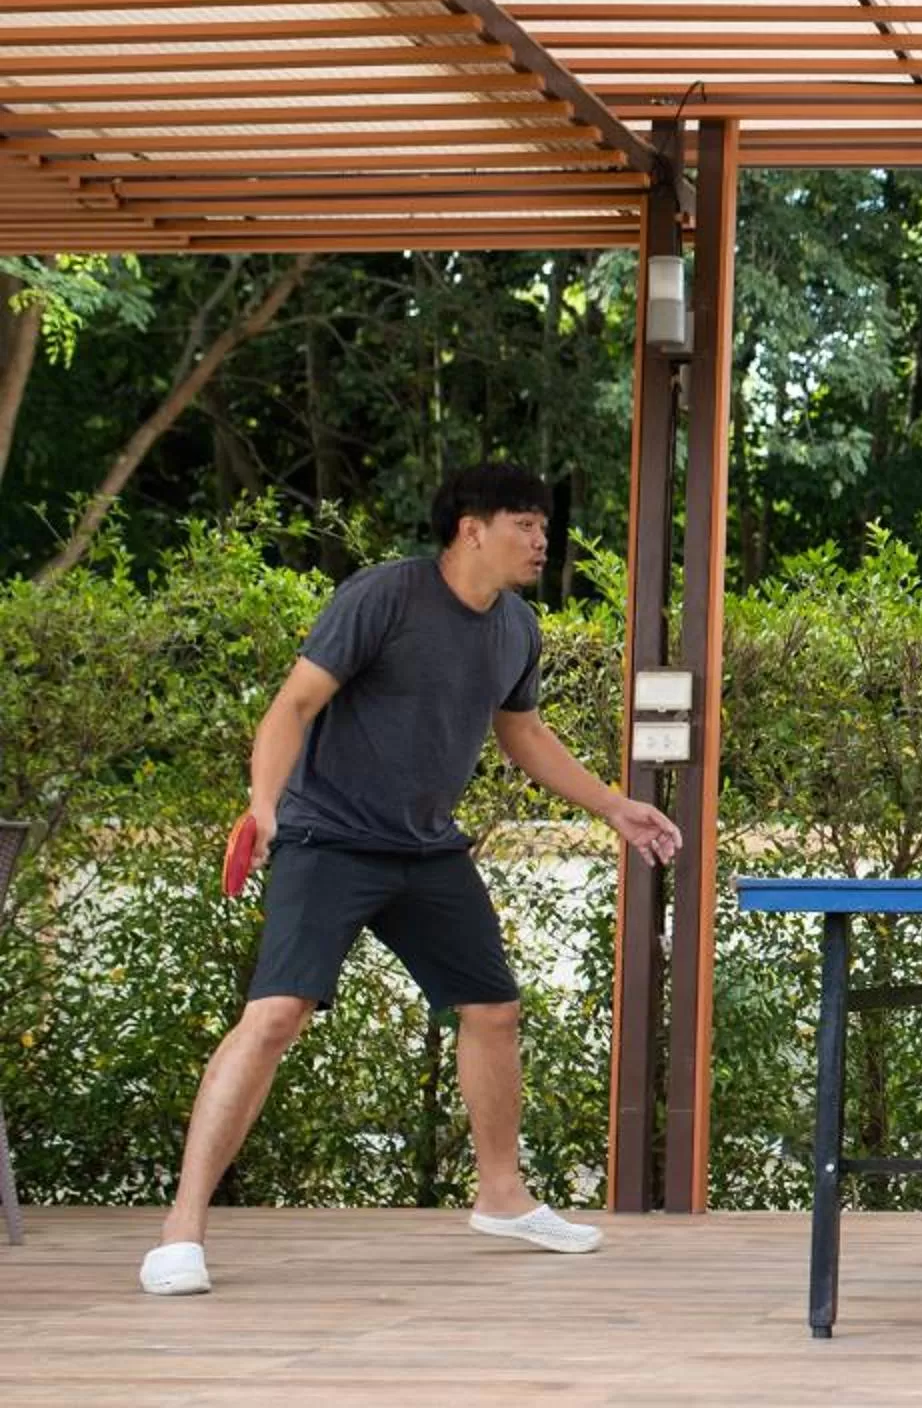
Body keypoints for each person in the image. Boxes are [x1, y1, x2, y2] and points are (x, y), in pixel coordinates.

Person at [140, 463, 680, 1297]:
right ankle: (181, 1230)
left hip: (427, 850)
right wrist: (265, 802)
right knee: (276, 1014)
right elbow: (293, 706)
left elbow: (523, 734)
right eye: (524, 524)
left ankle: (501, 1196)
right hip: (330, 839)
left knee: (493, 1010)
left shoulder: (516, 629)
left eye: (543, 526)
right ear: (472, 528)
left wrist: (614, 806)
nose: (542, 540)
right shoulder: (384, 597)